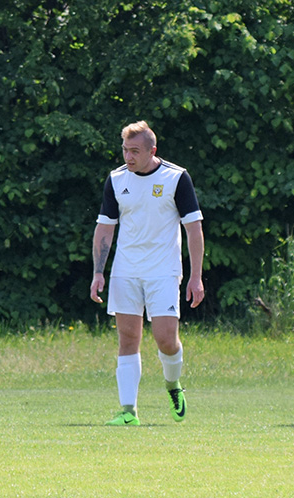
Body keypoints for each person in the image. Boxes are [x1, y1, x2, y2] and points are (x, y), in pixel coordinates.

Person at [90, 120, 205, 426]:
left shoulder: (176, 178)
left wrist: (196, 276)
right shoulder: (115, 179)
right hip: (125, 271)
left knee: (166, 340)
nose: (128, 156)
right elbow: (104, 228)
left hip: (163, 272)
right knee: (128, 339)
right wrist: (98, 272)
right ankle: (128, 412)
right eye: (125, 149)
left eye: (135, 151)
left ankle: (172, 384)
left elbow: (194, 228)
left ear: (152, 150)